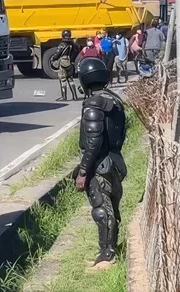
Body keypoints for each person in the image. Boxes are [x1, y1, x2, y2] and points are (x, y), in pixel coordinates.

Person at [74, 57, 127, 270]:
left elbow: (93, 142)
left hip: (100, 165)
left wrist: (83, 171)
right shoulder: (114, 100)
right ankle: (109, 250)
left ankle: (107, 255)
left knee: (101, 210)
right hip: (115, 161)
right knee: (111, 208)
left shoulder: (93, 105)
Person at [50, 29, 79, 101]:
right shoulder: (72, 45)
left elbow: (57, 55)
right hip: (69, 62)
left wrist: (53, 59)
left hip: (62, 62)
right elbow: (75, 52)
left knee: (63, 79)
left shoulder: (62, 45)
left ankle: (64, 97)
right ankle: (75, 96)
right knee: (70, 79)